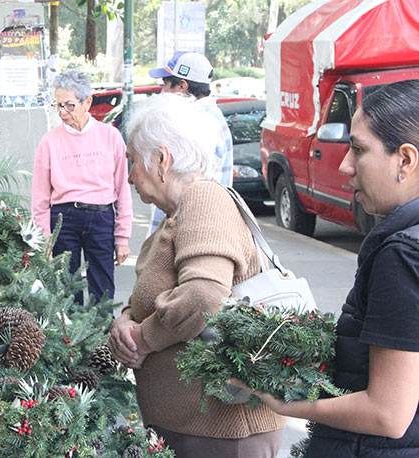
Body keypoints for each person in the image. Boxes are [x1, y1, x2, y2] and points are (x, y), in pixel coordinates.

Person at [230, 80, 419, 457]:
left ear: (406, 160)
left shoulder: (401, 254)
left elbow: (388, 414)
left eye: (358, 149)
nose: (345, 166)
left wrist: (285, 401)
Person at [108, 93, 285, 458]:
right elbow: (160, 294)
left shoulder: (204, 199)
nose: (128, 176)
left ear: (161, 159)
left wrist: (143, 338)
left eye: (132, 161)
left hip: (219, 433)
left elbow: (204, 297)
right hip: (196, 429)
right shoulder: (177, 213)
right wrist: (126, 321)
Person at [32, 69, 133, 307]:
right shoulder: (49, 142)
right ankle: (70, 342)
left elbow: (122, 191)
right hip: (63, 219)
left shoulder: (110, 136)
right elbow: (40, 198)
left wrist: (122, 237)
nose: (62, 112)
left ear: (87, 102)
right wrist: (45, 240)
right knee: (67, 289)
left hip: (101, 217)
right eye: (57, 105)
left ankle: (103, 342)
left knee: (103, 289)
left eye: (69, 105)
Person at [146, 51, 233, 235]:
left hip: (188, 232)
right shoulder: (214, 118)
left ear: (182, 87)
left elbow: (175, 187)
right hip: (207, 226)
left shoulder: (193, 123)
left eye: (166, 85)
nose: (163, 92)